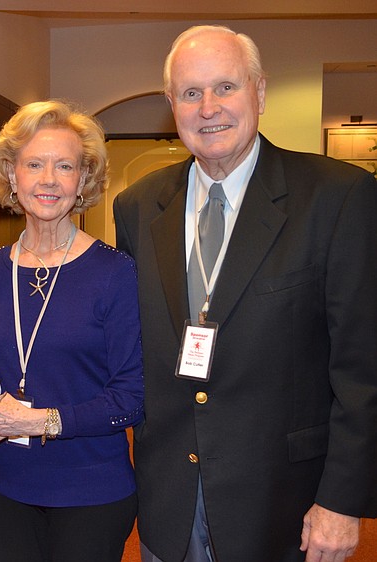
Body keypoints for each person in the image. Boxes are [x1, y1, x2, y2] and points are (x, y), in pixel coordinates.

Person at [113, 25, 377, 562]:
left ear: (259, 92)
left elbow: (363, 366)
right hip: (169, 504)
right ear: (172, 104)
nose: (208, 107)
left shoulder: (338, 198)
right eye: (190, 93)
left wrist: (342, 501)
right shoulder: (138, 205)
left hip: (286, 508)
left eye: (225, 87)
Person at [0, 100, 144, 562]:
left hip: (91, 489)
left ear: (82, 180)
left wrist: (38, 420)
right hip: (10, 485)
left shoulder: (116, 273)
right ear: (11, 175)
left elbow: (131, 396)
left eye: (64, 166)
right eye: (34, 164)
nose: (48, 180)